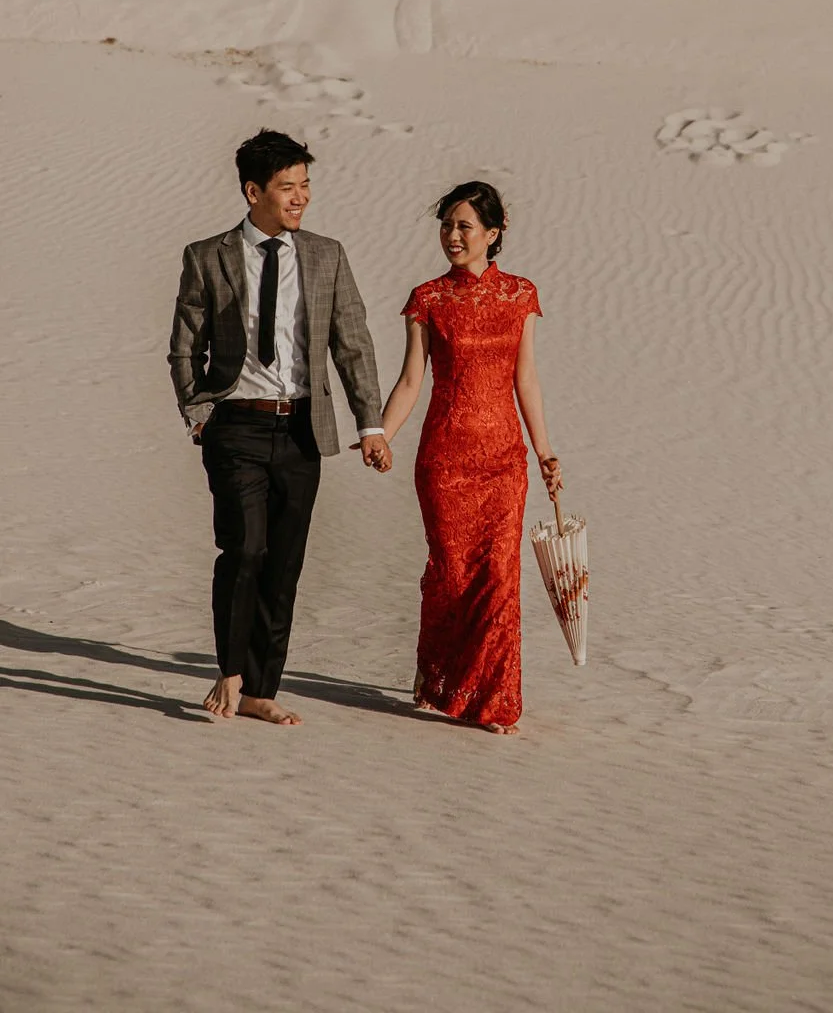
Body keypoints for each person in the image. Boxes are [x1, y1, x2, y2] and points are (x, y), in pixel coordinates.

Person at [169, 129, 391, 725]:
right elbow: (184, 348)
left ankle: (262, 689)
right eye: (288, 187)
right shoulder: (207, 256)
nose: (302, 198)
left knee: (284, 562)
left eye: (306, 185)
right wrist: (198, 413)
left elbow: (353, 344)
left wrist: (370, 423)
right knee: (243, 549)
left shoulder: (326, 255)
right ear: (253, 191)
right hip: (234, 425)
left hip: (301, 431)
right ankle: (231, 671)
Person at [378, 181, 562, 735]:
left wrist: (545, 452)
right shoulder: (428, 298)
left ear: (493, 232)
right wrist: (379, 433)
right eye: (446, 225)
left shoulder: (519, 295)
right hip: (444, 459)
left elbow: (525, 378)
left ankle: (495, 702)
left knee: (499, 577)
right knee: (452, 573)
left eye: (464, 226)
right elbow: (412, 380)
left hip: (504, 460)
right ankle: (441, 682)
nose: (452, 236)